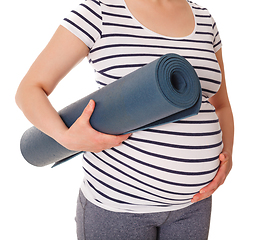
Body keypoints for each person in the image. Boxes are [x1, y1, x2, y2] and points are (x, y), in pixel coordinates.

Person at [15, 0, 234, 239]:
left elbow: (220, 104)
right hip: (118, 207)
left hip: (193, 206)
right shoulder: (99, 11)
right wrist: (65, 137)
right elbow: (29, 90)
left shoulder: (203, 18)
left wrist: (227, 157)